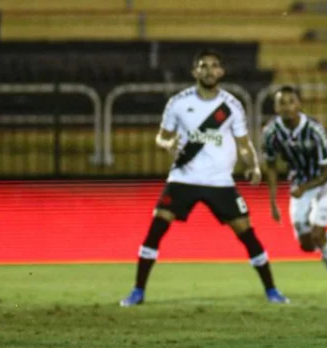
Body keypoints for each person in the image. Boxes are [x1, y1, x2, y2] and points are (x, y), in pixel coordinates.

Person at [120, 49, 288, 307]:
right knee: (156, 230)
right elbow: (161, 137)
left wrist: (253, 165)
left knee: (247, 233)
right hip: (183, 178)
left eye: (214, 66)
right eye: (203, 66)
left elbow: (244, 144)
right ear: (195, 72)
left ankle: (272, 290)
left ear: (221, 71)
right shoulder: (178, 103)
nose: (209, 71)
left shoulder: (231, 106)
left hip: (220, 182)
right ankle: (137, 291)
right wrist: (167, 143)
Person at [261, 86, 327, 295]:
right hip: (299, 184)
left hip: (324, 183)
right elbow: (271, 166)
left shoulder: (314, 130)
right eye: (281, 103)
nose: (286, 107)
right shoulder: (271, 132)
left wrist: (304, 188)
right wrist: (273, 202)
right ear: (275, 107)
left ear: (299, 104)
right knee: (307, 245)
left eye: (291, 102)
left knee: (318, 233)